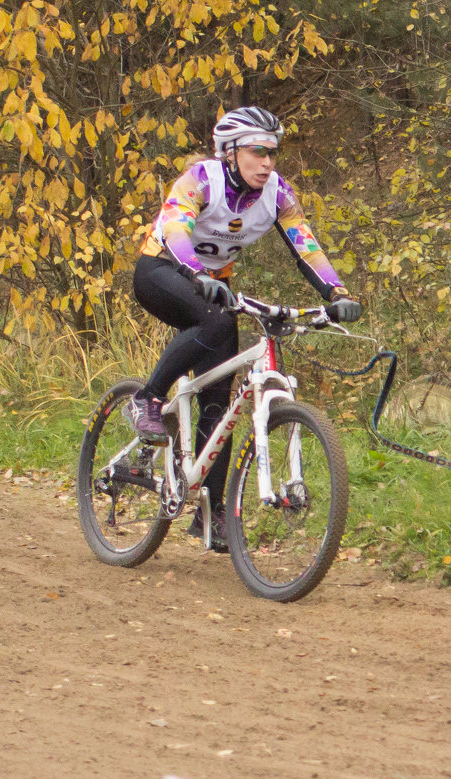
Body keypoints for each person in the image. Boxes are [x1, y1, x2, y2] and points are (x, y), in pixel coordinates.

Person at [124, 106, 361, 550]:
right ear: (231, 153)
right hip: (162, 271)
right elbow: (175, 230)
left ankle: (211, 515)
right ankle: (148, 398)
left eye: (273, 152)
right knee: (213, 320)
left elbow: (305, 244)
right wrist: (198, 275)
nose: (268, 161)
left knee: (218, 392)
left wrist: (338, 294)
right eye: (258, 152)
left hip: (215, 286)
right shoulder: (200, 178)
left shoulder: (278, 193)